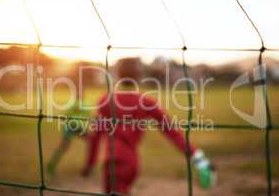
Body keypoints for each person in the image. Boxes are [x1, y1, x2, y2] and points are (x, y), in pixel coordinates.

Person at [80, 58, 216, 194]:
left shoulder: (105, 100)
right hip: (131, 163)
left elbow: (95, 136)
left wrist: (89, 164)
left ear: (117, 75)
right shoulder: (145, 102)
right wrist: (199, 159)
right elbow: (172, 132)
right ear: (139, 76)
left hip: (111, 162)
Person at [47, 98, 93, 176]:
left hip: (79, 128)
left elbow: (89, 117)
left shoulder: (86, 104)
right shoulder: (74, 105)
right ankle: (51, 164)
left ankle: (88, 167)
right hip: (70, 127)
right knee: (64, 146)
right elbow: (64, 117)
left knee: (92, 142)